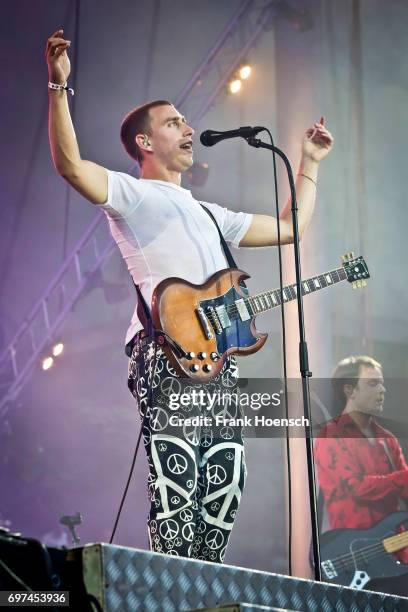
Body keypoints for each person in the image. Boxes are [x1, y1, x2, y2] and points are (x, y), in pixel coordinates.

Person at [46, 29, 333, 562]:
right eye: (174, 122)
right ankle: (169, 588)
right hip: (166, 353)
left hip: (218, 358)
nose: (189, 128)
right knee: (178, 487)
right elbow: (70, 166)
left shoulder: (211, 213)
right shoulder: (133, 194)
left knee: (224, 485)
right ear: (145, 143)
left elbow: (292, 229)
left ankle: (203, 583)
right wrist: (58, 87)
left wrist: (309, 164)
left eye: (186, 120)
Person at [314, 355, 408, 563]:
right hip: (352, 557)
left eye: (382, 384)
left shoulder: (387, 440)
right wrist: (400, 479)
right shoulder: (332, 435)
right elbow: (354, 487)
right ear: (349, 390)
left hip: (396, 553)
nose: (382, 390)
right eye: (373, 383)